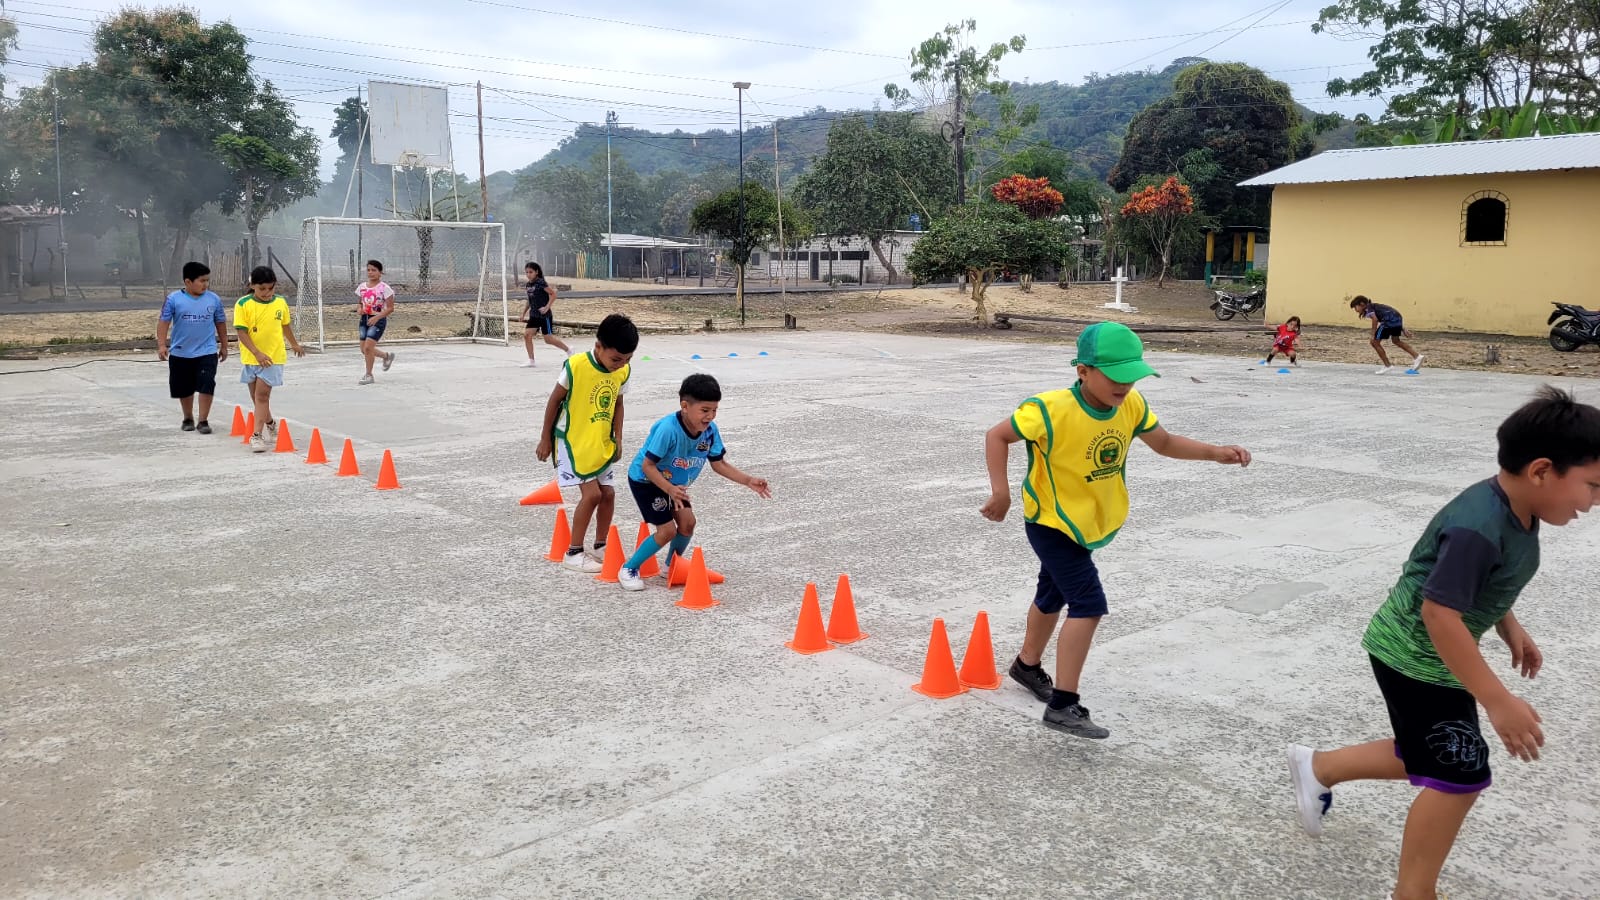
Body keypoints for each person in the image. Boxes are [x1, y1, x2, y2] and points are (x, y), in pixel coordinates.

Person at [1287, 386, 1600, 900]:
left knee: (1435, 753)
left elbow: (1477, 585)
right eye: (1592, 486)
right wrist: (1497, 700)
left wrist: (1508, 624)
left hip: (1436, 655)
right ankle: (1414, 892)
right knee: (1460, 775)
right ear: (1542, 471)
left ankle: (1320, 767)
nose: (1595, 501)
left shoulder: (1517, 508)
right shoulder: (1479, 526)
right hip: (1414, 656)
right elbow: (1439, 613)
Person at [980, 322, 1252, 739]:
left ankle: (1026, 666)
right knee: (1088, 604)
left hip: (1088, 521)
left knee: (1052, 593)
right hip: (1052, 522)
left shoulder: (1131, 405)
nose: (1125, 385)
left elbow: (1164, 443)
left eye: (1132, 375)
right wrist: (1001, 493)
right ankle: (1063, 704)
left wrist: (1215, 453)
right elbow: (997, 436)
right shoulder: (1049, 409)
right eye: (1115, 376)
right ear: (1083, 371)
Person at [618, 373, 772, 591]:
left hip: (675, 487)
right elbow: (648, 466)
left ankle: (671, 566)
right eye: (705, 410)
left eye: (714, 410)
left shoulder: (710, 431)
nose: (710, 416)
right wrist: (669, 489)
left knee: (688, 523)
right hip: (647, 481)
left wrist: (748, 480)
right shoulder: (668, 429)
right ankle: (629, 568)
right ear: (685, 406)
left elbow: (719, 464)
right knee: (667, 531)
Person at [536, 314, 639, 572]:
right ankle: (573, 552)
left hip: (599, 440)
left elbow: (618, 403)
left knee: (608, 494)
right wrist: (545, 438)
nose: (621, 364)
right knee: (592, 495)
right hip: (573, 440)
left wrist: (618, 437)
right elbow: (554, 401)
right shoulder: (576, 366)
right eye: (616, 359)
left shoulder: (622, 371)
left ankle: (601, 545)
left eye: (627, 359)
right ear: (598, 347)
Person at [234, 266, 305, 453]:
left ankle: (256, 435)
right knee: (256, 398)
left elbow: (285, 325)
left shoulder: (280, 302)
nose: (267, 293)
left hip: (273, 357)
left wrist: (294, 344)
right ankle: (271, 423)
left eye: (270, 288)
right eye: (262, 289)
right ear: (252, 286)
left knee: (262, 396)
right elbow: (241, 332)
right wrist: (256, 353)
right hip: (251, 357)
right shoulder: (243, 304)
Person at [157, 261, 229, 433]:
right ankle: (188, 417)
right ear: (188, 282)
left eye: (207, 280)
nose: (205, 284)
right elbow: (164, 322)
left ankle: (203, 421)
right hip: (181, 353)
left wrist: (224, 346)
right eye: (201, 281)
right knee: (185, 388)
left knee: (207, 384)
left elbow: (220, 323)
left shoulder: (214, 299)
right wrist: (161, 344)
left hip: (207, 351)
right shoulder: (173, 299)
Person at [1351, 295, 1424, 374]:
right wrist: (1402, 328)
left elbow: (1375, 320)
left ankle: (1387, 365)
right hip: (1397, 318)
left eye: (1355, 307)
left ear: (1362, 304)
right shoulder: (1374, 307)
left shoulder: (1369, 308)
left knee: (1374, 342)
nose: (1355, 310)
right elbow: (1392, 315)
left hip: (1388, 321)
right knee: (1396, 341)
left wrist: (1373, 334)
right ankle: (1417, 356)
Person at [520, 262, 570, 367]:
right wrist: (523, 313)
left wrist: (547, 307)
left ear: (536, 272)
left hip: (544, 316)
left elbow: (553, 294)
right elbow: (529, 300)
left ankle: (568, 350)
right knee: (527, 335)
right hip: (534, 315)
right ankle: (531, 361)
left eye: (531, 272)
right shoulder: (528, 285)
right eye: (526, 272)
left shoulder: (541, 283)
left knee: (548, 340)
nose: (528, 274)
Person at [357, 259, 396, 385]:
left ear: (380, 272)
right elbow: (360, 302)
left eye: (374, 270)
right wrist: (359, 309)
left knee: (368, 348)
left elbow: (390, 308)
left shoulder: (385, 288)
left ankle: (369, 375)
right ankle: (386, 356)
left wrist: (377, 317)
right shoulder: (362, 287)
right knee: (364, 349)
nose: (370, 272)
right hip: (364, 320)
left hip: (377, 320)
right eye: (368, 270)